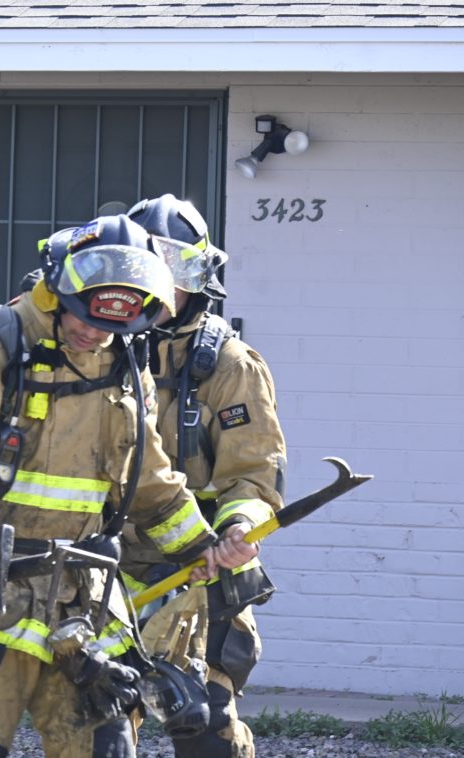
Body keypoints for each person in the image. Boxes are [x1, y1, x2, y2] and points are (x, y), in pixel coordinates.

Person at [0, 214, 252, 757]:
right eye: (85, 316)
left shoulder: (124, 364)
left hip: (84, 604)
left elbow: (148, 483)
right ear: (56, 291)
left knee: (106, 747)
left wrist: (202, 548)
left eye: (112, 326)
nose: (94, 334)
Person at [123, 193, 288, 758]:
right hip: (110, 571)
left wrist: (240, 527)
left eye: (173, 271)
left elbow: (254, 475)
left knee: (203, 726)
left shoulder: (229, 365)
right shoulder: (98, 352)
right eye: (146, 269)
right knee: (99, 726)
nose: (159, 287)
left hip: (201, 570)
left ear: (196, 281)